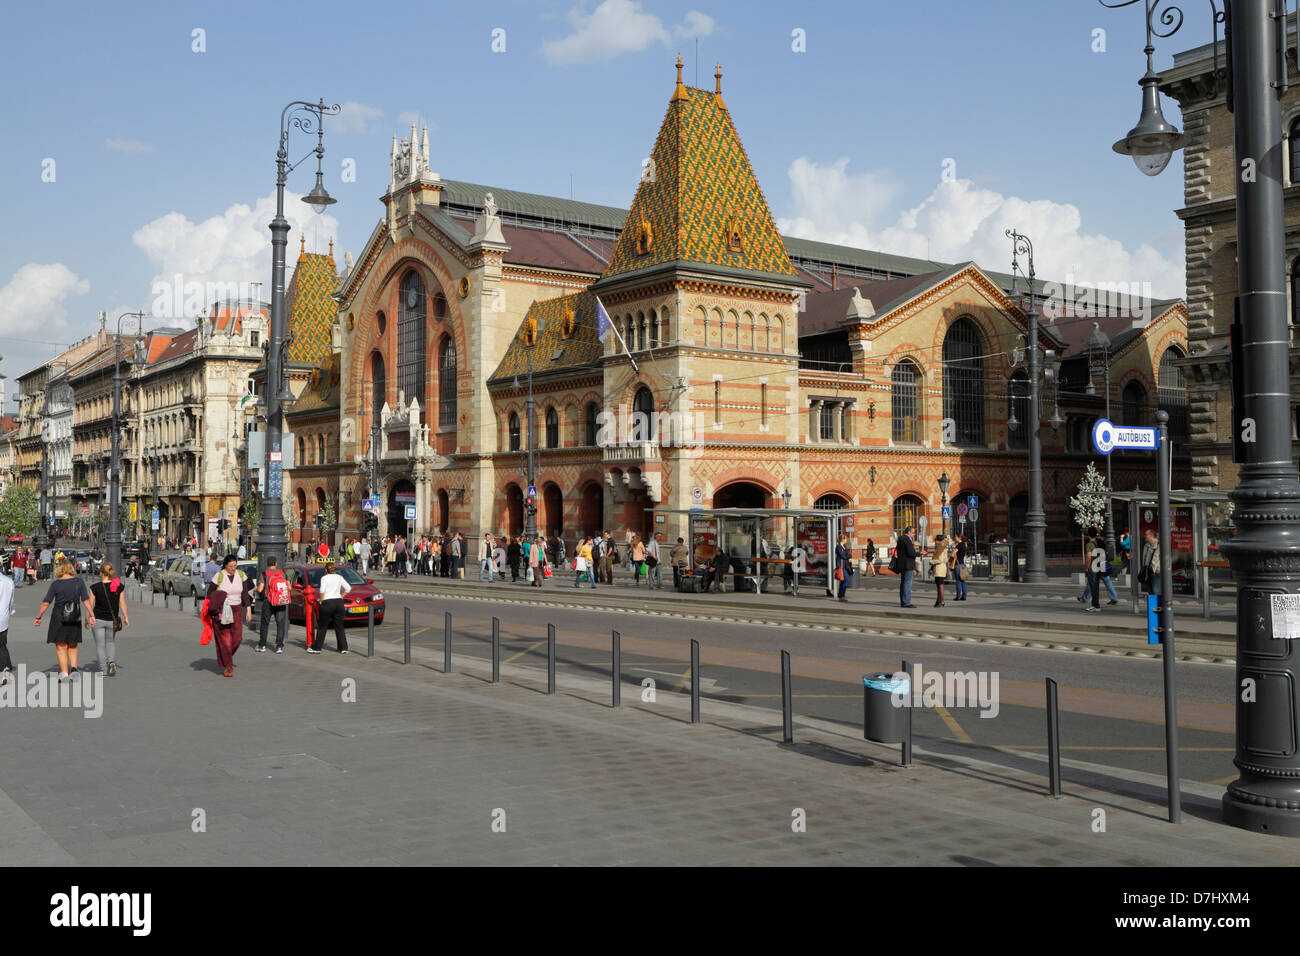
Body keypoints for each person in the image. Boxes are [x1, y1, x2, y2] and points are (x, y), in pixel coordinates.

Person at [35, 559, 94, 681]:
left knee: (61, 646)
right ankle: (74, 669)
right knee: (73, 644)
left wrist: (38, 617)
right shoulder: (79, 582)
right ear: (71, 569)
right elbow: (86, 600)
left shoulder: (56, 584)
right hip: (74, 615)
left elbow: (46, 602)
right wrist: (91, 615)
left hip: (59, 616)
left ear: (59, 570)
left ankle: (65, 674)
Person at [206, 554, 250, 677]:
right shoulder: (219, 576)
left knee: (237, 638)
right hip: (223, 611)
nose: (233, 568)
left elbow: (245, 594)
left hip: (237, 610)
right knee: (225, 639)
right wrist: (219, 599)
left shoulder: (241, 575)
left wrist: (248, 609)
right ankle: (228, 666)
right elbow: (210, 594)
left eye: (235, 565)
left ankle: (225, 655)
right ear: (225, 565)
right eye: (230, 566)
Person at [88, 562, 128, 676]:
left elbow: (90, 605)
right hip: (112, 620)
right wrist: (126, 617)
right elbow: (123, 603)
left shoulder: (94, 588)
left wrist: (88, 618)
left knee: (100, 646)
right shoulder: (118, 586)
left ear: (101, 573)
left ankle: (104, 670)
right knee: (110, 642)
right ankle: (111, 662)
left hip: (98, 620)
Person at [308, 561, 351, 655]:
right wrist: (341, 596)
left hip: (327, 602)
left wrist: (321, 600)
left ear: (325, 570)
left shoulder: (324, 578)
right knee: (339, 626)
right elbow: (348, 588)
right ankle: (343, 648)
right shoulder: (339, 577)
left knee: (323, 626)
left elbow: (322, 590)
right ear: (333, 569)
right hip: (339, 602)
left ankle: (317, 648)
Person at [254, 556, 291, 654]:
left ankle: (262, 645)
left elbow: (260, 590)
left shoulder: (264, 574)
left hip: (269, 602)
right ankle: (279, 646)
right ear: (276, 564)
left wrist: (255, 588)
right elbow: (289, 587)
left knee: (265, 624)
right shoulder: (282, 573)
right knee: (280, 624)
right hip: (281, 602)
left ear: (267, 564)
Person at [894, 526, 917, 608]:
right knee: (907, 583)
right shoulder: (907, 539)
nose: (914, 535)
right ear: (909, 532)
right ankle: (906, 602)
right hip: (908, 564)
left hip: (902, 564)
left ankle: (903, 601)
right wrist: (920, 553)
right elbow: (911, 553)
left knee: (903, 583)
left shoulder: (900, 538)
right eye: (913, 533)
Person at [0, 570, 14, 685]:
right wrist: (9, 613)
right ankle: (6, 671)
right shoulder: (9, 581)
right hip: (3, 618)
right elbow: (11, 602)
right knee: (2, 645)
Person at [930, 534, 950, 607]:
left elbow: (940, 560)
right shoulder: (941, 548)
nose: (935, 542)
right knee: (939, 586)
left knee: (940, 586)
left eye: (936, 540)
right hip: (940, 569)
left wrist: (932, 562)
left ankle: (941, 601)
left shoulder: (941, 549)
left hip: (939, 569)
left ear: (938, 541)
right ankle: (939, 601)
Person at [1138, 529, 1160, 594]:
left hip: (1156, 571)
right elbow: (1144, 558)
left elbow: (1157, 559)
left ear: (1151, 536)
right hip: (1148, 571)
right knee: (1150, 591)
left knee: (1156, 590)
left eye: (1146, 535)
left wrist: (1155, 569)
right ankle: (1152, 604)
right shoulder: (1146, 545)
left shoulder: (1158, 545)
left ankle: (1158, 604)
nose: (1145, 536)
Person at [835, 532, 851, 602]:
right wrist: (847, 556)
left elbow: (847, 555)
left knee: (843, 581)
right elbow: (842, 556)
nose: (847, 540)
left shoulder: (844, 547)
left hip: (845, 566)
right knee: (847, 580)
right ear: (843, 539)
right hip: (841, 566)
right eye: (846, 539)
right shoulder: (838, 546)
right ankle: (842, 595)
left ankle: (840, 595)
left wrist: (848, 556)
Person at [953, 534, 969, 601]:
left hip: (958, 565)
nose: (954, 538)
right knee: (963, 581)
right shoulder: (964, 545)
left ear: (959, 538)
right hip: (962, 565)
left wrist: (953, 556)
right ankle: (964, 596)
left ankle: (958, 596)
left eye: (955, 537)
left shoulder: (959, 545)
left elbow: (953, 554)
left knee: (958, 581)